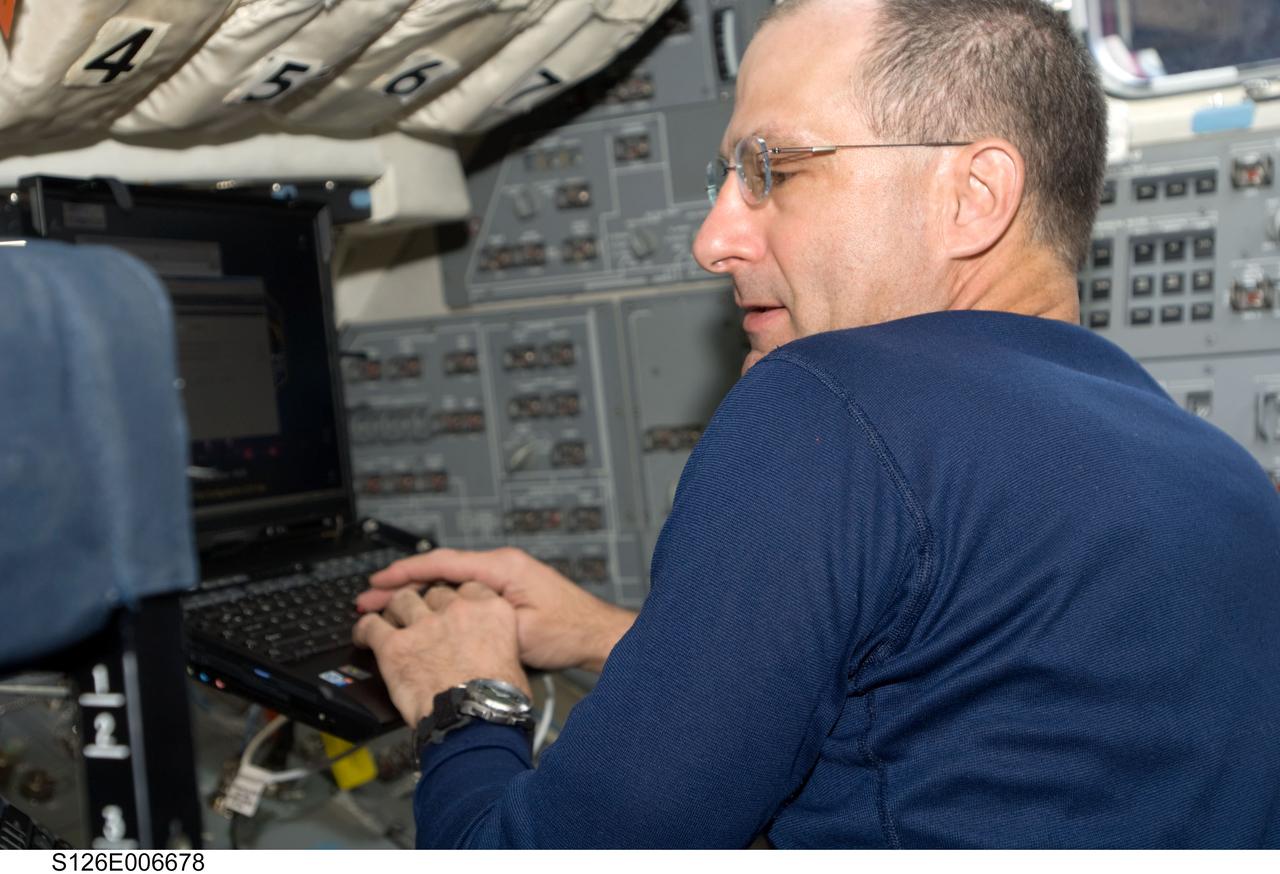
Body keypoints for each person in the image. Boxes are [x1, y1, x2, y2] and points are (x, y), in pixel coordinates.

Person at [352, 0, 1280, 848]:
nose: (713, 240)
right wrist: (616, 638)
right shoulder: (1223, 476)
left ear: (973, 196)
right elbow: (976, 715)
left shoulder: (826, 403)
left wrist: (466, 696)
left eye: (772, 170)